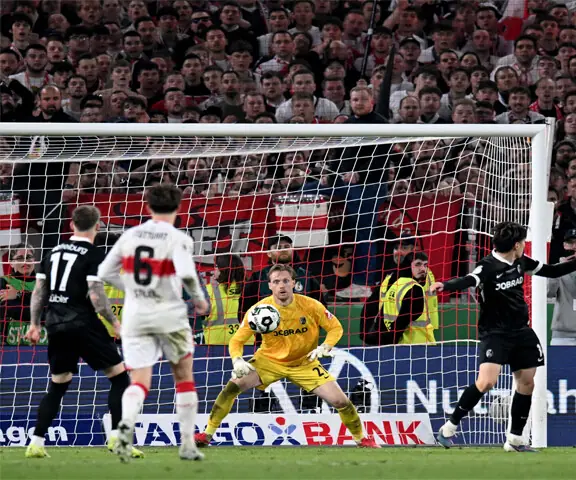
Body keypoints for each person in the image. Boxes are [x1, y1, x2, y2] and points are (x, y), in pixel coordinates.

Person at [430, 222, 576, 452]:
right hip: (496, 333)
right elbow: (469, 279)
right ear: (516, 244)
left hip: (521, 331)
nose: (523, 245)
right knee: (487, 382)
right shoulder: (488, 266)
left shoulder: (522, 261)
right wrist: (445, 285)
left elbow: (551, 270)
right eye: (522, 242)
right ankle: (449, 427)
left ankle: (515, 439)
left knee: (527, 382)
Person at [194, 264, 379, 448]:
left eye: (285, 281)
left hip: (304, 362)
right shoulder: (259, 310)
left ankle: (362, 438)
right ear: (270, 285)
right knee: (231, 388)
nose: (281, 285)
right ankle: (207, 434)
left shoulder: (310, 305)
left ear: (294, 283)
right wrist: (237, 359)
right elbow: (236, 341)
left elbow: (336, 328)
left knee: (341, 401)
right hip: (268, 361)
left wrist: (326, 346)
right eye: (276, 281)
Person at [97, 184, 210, 462]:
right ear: (179, 207)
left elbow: (103, 273)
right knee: (183, 378)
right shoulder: (178, 238)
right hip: (169, 313)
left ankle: (124, 430)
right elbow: (185, 273)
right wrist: (199, 299)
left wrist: (131, 288)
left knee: (138, 381)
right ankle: (186, 445)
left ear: (147, 207)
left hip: (136, 315)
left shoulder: (130, 235)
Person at [23, 206, 143, 459]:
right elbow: (97, 296)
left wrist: (34, 324)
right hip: (83, 322)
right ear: (97, 227)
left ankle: (36, 442)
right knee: (119, 377)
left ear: (71, 225)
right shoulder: (94, 254)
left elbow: (39, 291)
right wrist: (115, 324)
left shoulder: (52, 252)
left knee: (58, 385)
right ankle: (118, 440)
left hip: (55, 324)